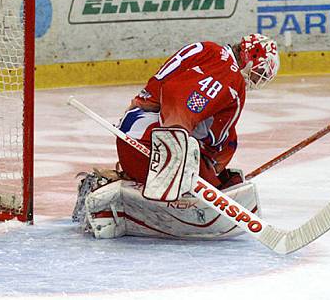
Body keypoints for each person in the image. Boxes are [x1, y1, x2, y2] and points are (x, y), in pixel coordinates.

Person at [72, 33, 280, 239]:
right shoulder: (231, 78)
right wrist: (177, 150)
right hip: (154, 146)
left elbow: (166, 86)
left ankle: (108, 187)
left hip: (132, 134)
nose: (254, 79)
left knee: (217, 162)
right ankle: (119, 194)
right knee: (220, 164)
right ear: (249, 57)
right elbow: (184, 105)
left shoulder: (206, 48)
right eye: (257, 72)